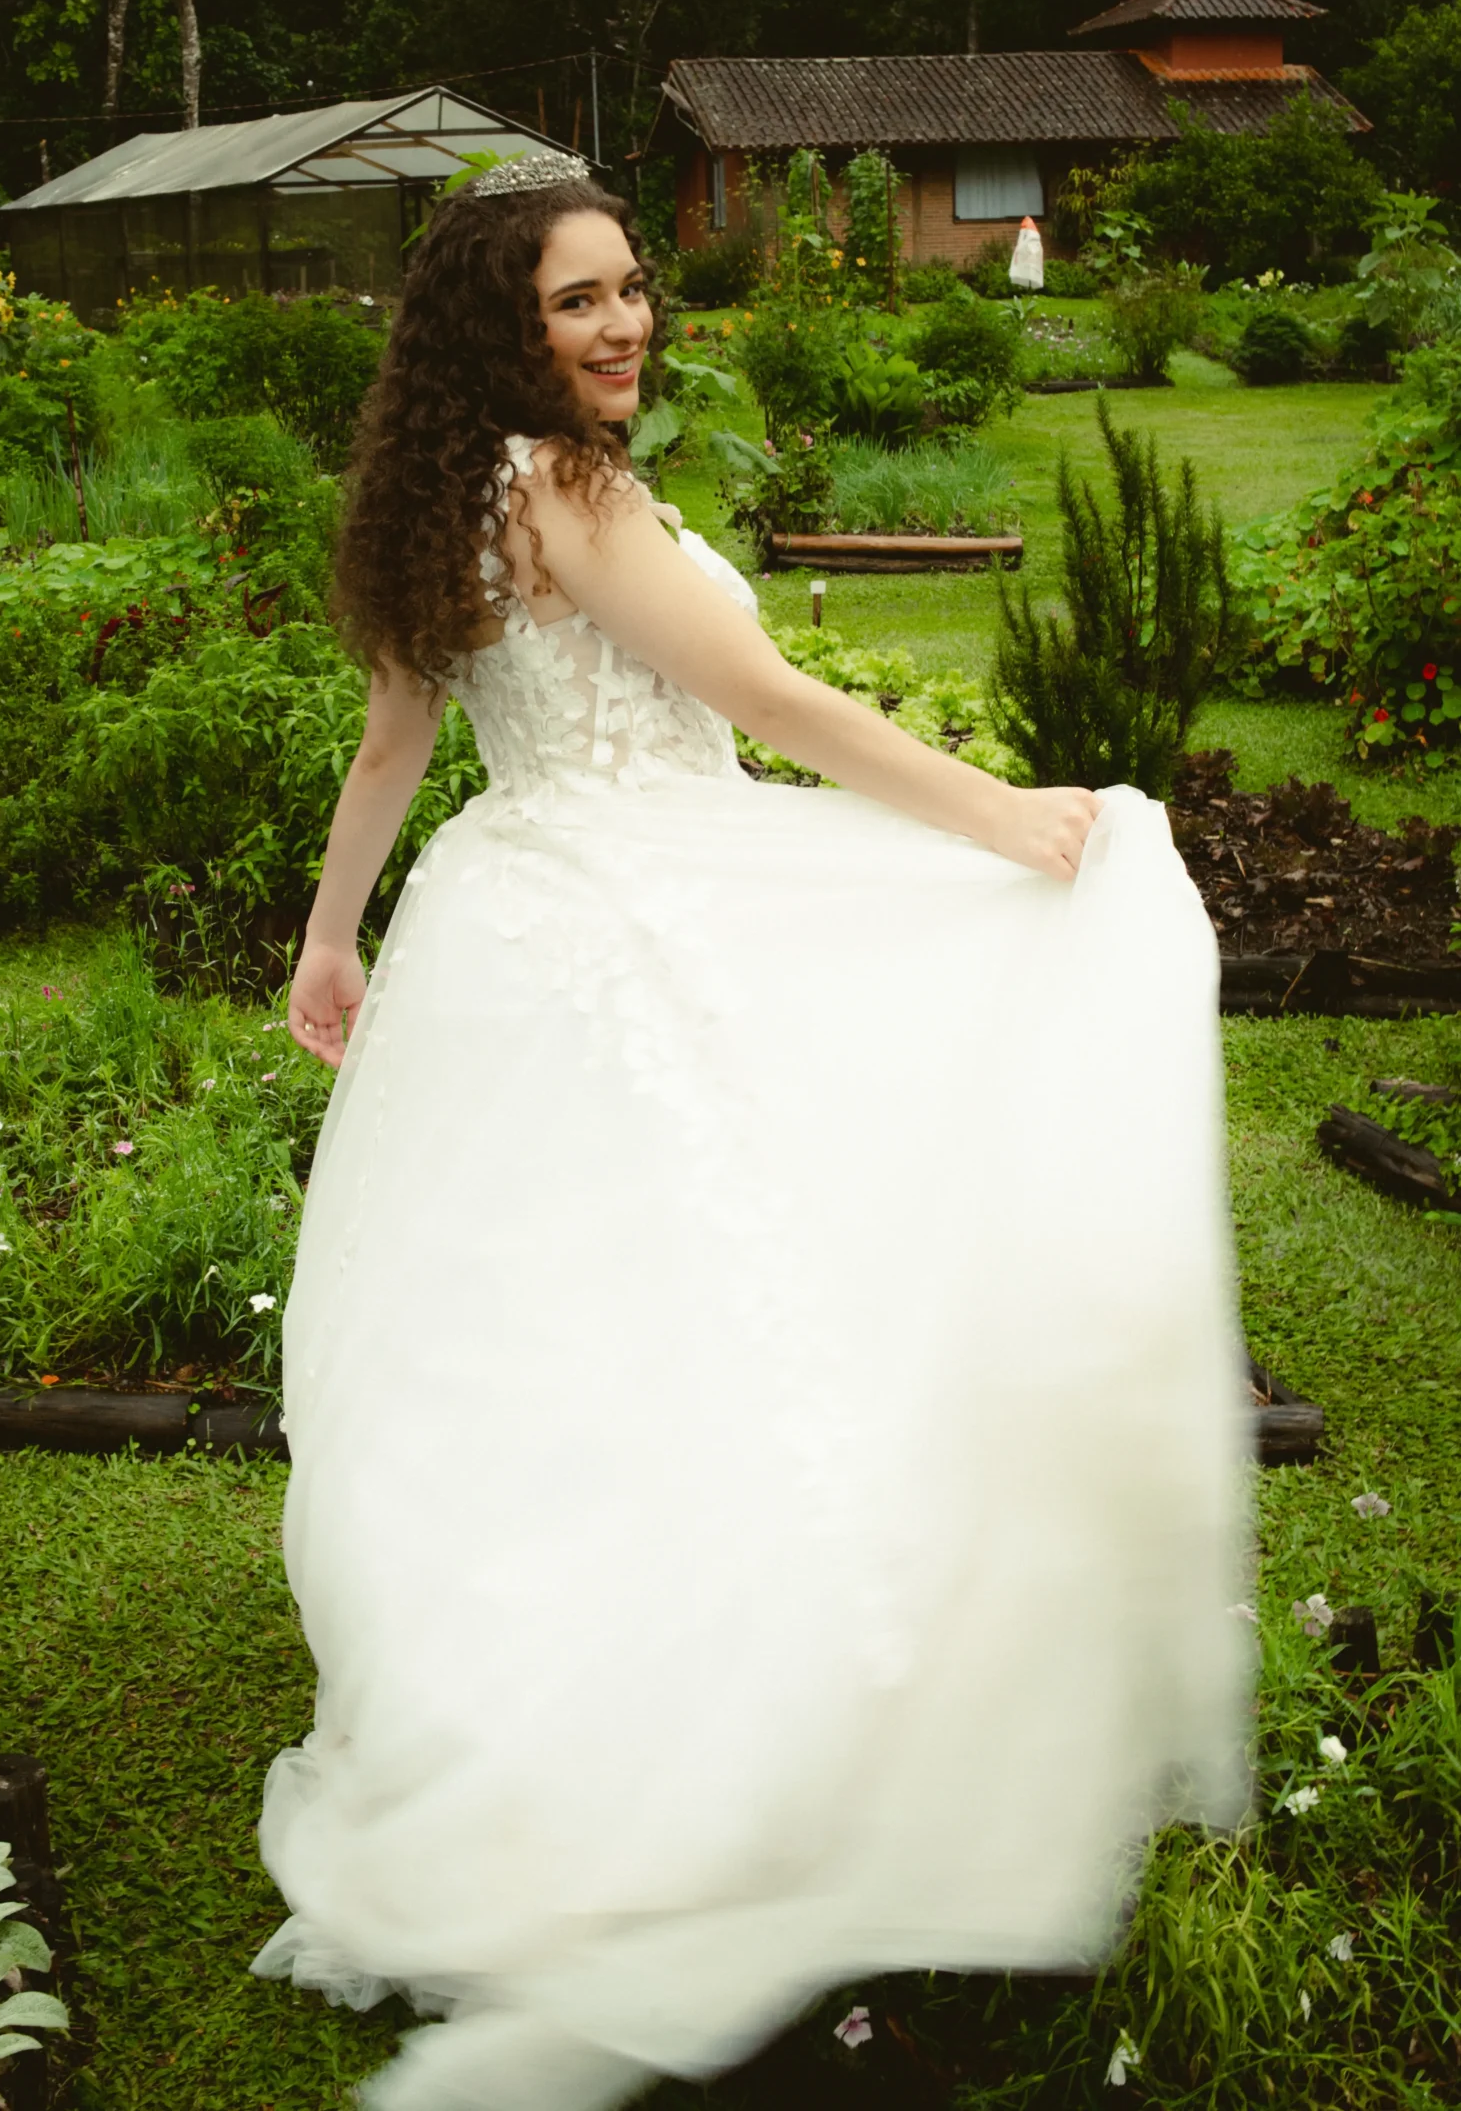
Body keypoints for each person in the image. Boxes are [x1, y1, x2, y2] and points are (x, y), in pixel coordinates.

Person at [251, 150, 1247, 2111]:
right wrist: (1004, 818)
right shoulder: (568, 489)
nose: (623, 321)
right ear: (504, 329)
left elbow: (397, 742)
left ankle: (578, 1717)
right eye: (578, 299)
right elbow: (768, 700)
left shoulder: (444, 490)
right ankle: (743, 1745)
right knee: (742, 1311)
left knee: (589, 1357)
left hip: (514, 920)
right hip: (640, 922)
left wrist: (335, 931)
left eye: (630, 286)